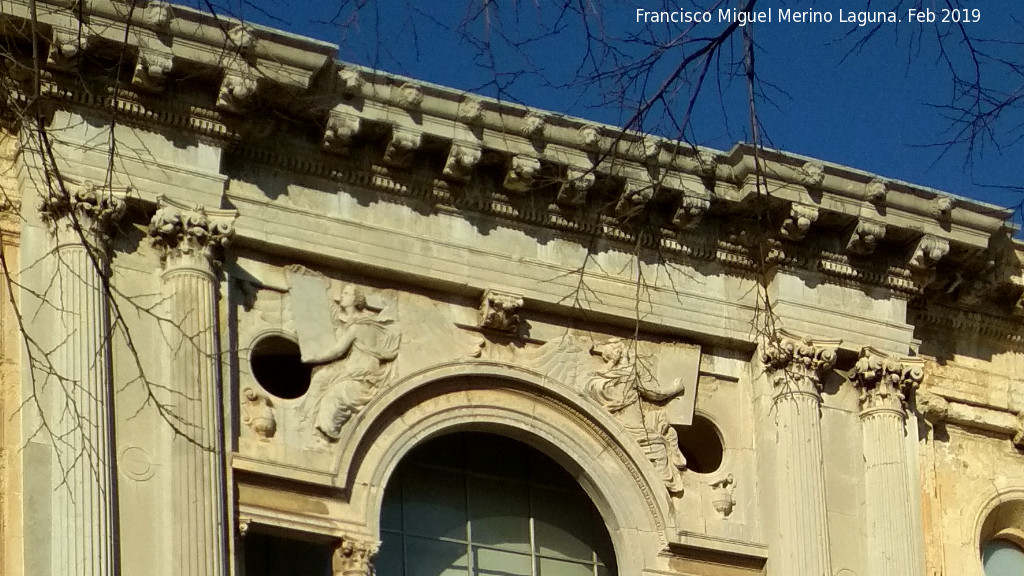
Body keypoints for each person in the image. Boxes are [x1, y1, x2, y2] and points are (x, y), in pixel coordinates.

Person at [297, 283, 400, 443]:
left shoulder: (359, 326)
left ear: (355, 299)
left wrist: (312, 358)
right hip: (354, 370)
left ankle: (319, 434)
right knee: (320, 378)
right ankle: (305, 420)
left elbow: (338, 351)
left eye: (346, 293)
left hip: (358, 373)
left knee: (329, 393)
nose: (341, 296)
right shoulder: (359, 321)